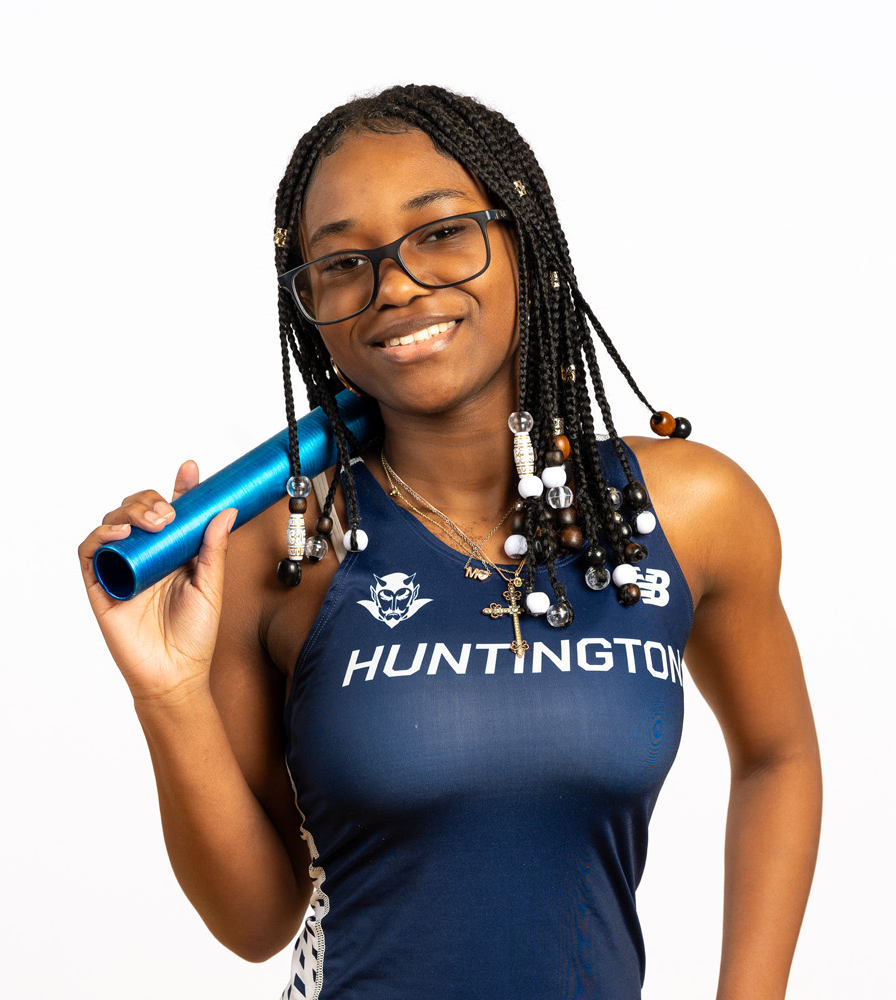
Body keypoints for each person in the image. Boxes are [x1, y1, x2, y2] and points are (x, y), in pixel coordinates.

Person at [78, 84, 822, 999]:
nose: (394, 286)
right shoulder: (284, 545)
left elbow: (778, 757)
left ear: (525, 240)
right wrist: (168, 693)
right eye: (342, 262)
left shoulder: (689, 509)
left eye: (440, 232)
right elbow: (256, 920)